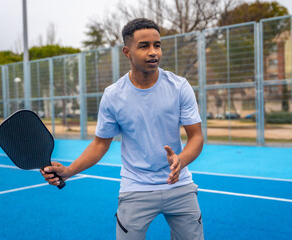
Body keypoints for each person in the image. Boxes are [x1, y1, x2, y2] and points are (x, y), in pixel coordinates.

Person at [40, 18, 204, 240]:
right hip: (136, 188)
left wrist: (180, 161)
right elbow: (100, 144)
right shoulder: (113, 95)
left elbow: (196, 137)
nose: (153, 52)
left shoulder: (179, 86)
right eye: (144, 46)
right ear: (127, 52)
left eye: (157, 45)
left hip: (180, 185)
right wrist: (69, 171)